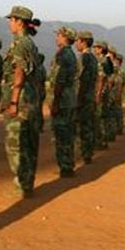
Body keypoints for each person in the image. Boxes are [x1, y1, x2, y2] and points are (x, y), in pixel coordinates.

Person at [0, 6, 41, 198]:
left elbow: (19, 73)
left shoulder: (20, 44)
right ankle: (27, 184)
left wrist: (14, 101)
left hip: (21, 99)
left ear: (19, 22)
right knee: (29, 143)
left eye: (12, 20)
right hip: (30, 99)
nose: (10, 23)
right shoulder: (30, 44)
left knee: (16, 144)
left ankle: (21, 186)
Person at [50, 26, 78, 177]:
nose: (57, 38)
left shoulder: (62, 54)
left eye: (59, 35)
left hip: (63, 99)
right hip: (70, 98)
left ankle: (65, 167)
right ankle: (68, 165)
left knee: (61, 135)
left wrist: (55, 102)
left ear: (64, 37)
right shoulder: (71, 54)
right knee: (68, 134)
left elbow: (59, 80)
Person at [75, 30, 98, 164]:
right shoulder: (94, 58)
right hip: (90, 95)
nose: (76, 44)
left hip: (84, 96)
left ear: (83, 42)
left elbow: (82, 80)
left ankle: (84, 152)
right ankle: (88, 152)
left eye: (78, 41)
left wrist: (78, 98)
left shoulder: (84, 58)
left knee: (82, 125)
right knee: (88, 124)